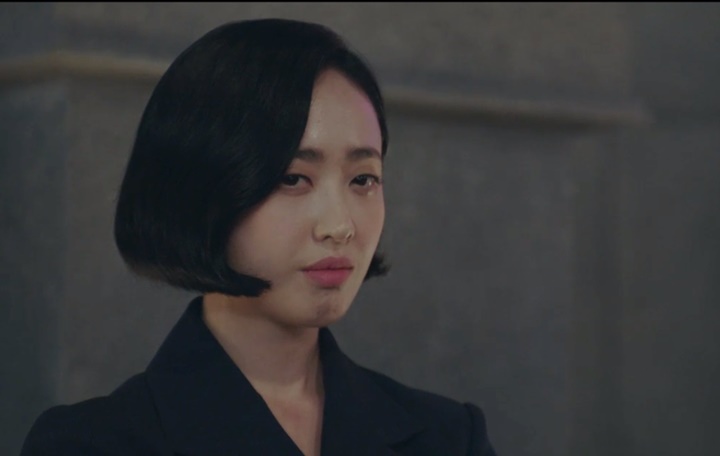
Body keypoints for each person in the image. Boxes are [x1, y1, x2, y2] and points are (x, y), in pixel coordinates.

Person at [20, 19, 496, 456]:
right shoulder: (90, 444)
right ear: (201, 190)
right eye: (293, 179)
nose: (339, 225)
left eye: (363, 179)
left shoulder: (448, 437)